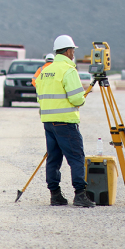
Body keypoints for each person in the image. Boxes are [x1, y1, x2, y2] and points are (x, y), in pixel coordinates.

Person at [35, 35, 91, 207]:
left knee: (54, 158)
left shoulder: (45, 71)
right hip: (65, 123)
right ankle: (80, 194)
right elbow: (77, 99)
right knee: (76, 157)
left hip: (48, 122)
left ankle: (55, 194)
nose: (73, 53)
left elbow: (40, 97)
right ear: (67, 51)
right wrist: (82, 98)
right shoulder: (68, 70)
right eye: (73, 50)